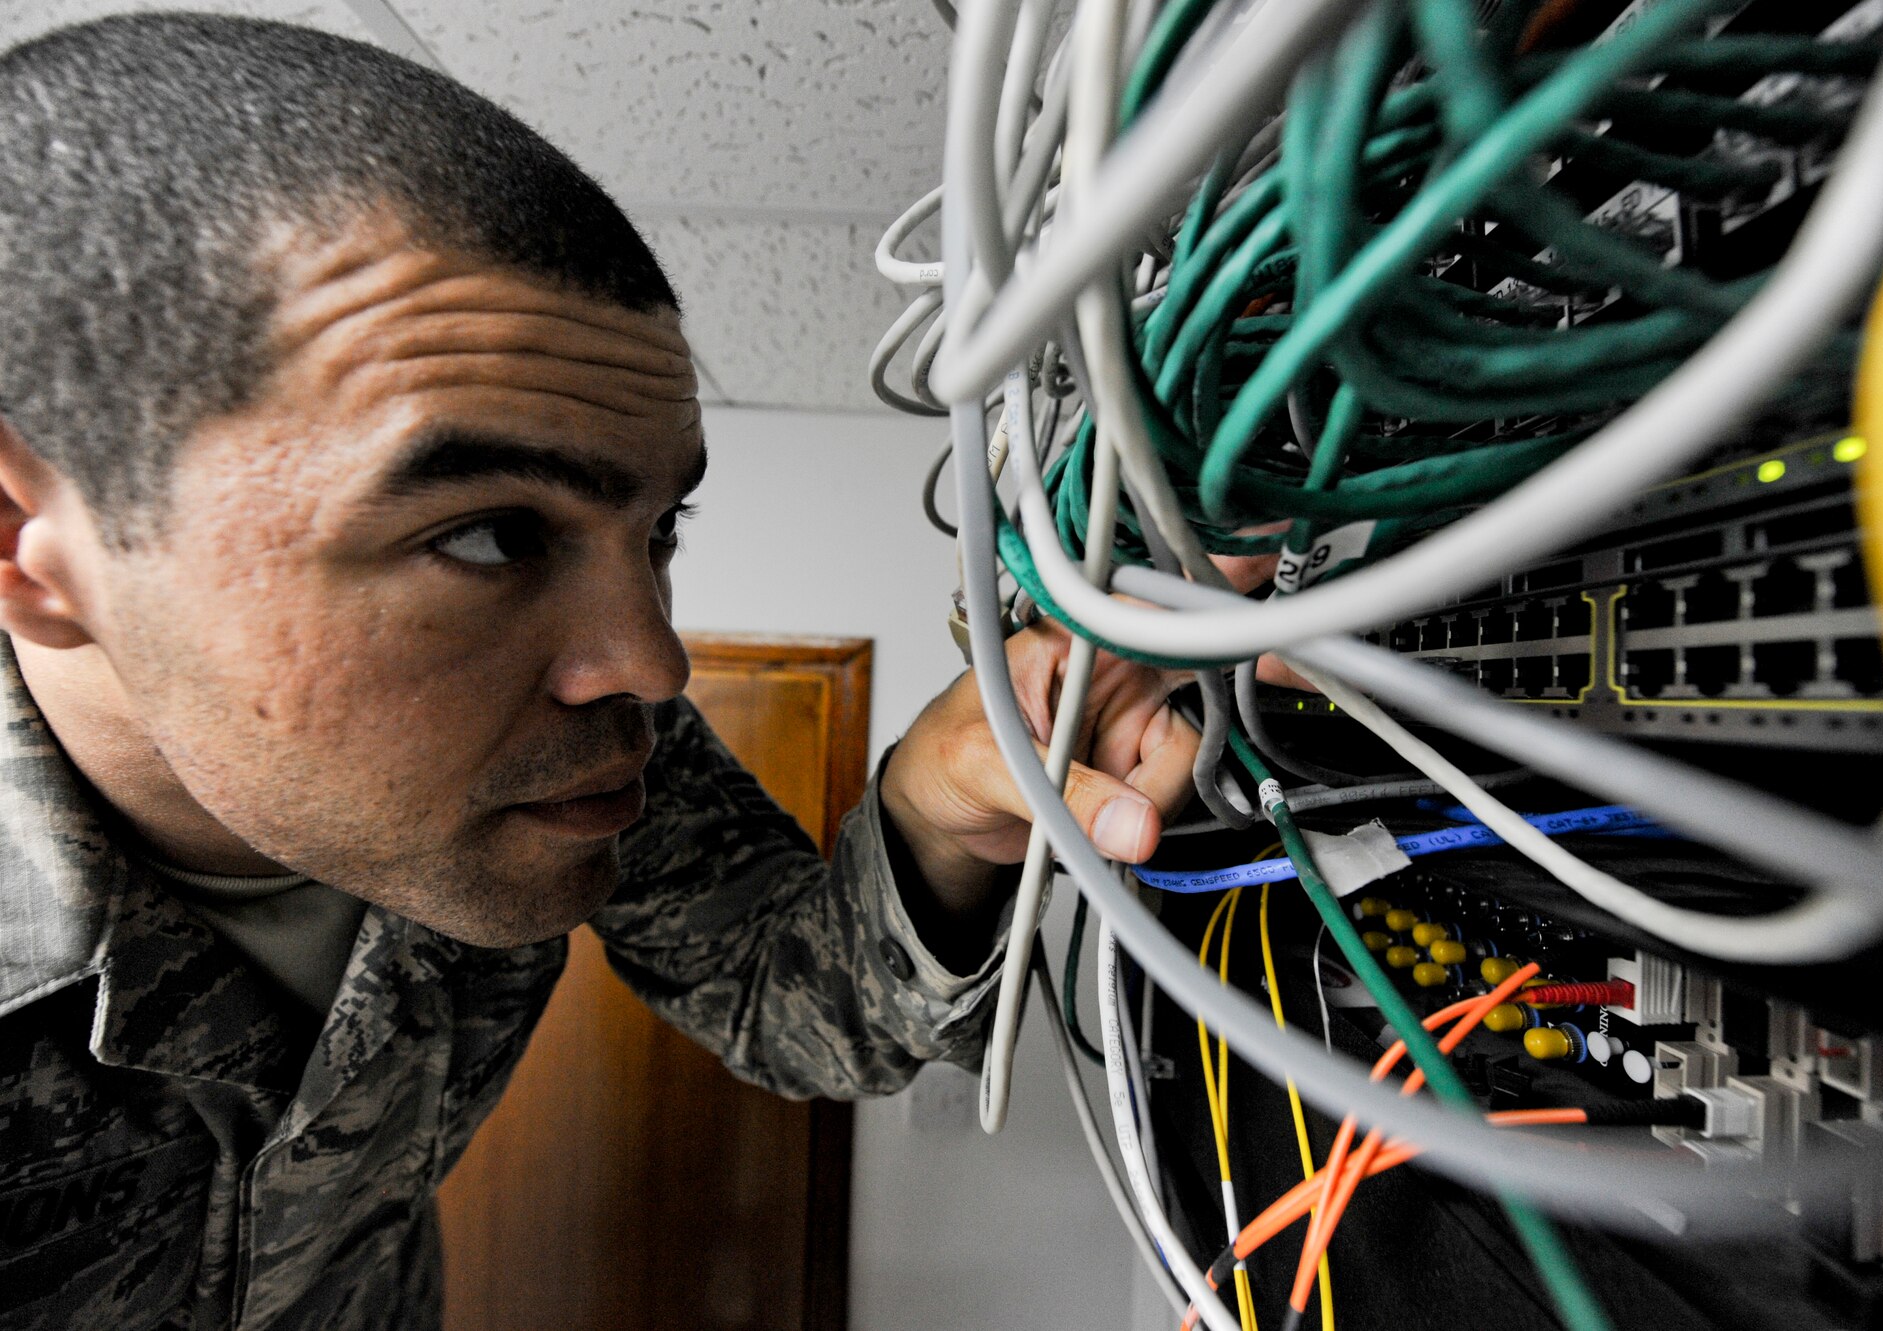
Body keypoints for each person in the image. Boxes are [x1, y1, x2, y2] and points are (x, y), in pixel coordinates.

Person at [0, 15, 1201, 1329]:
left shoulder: (566, 736)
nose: (647, 662)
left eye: (658, 531)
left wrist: (933, 814)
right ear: (33, 554)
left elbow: (787, 1001)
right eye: (486, 534)